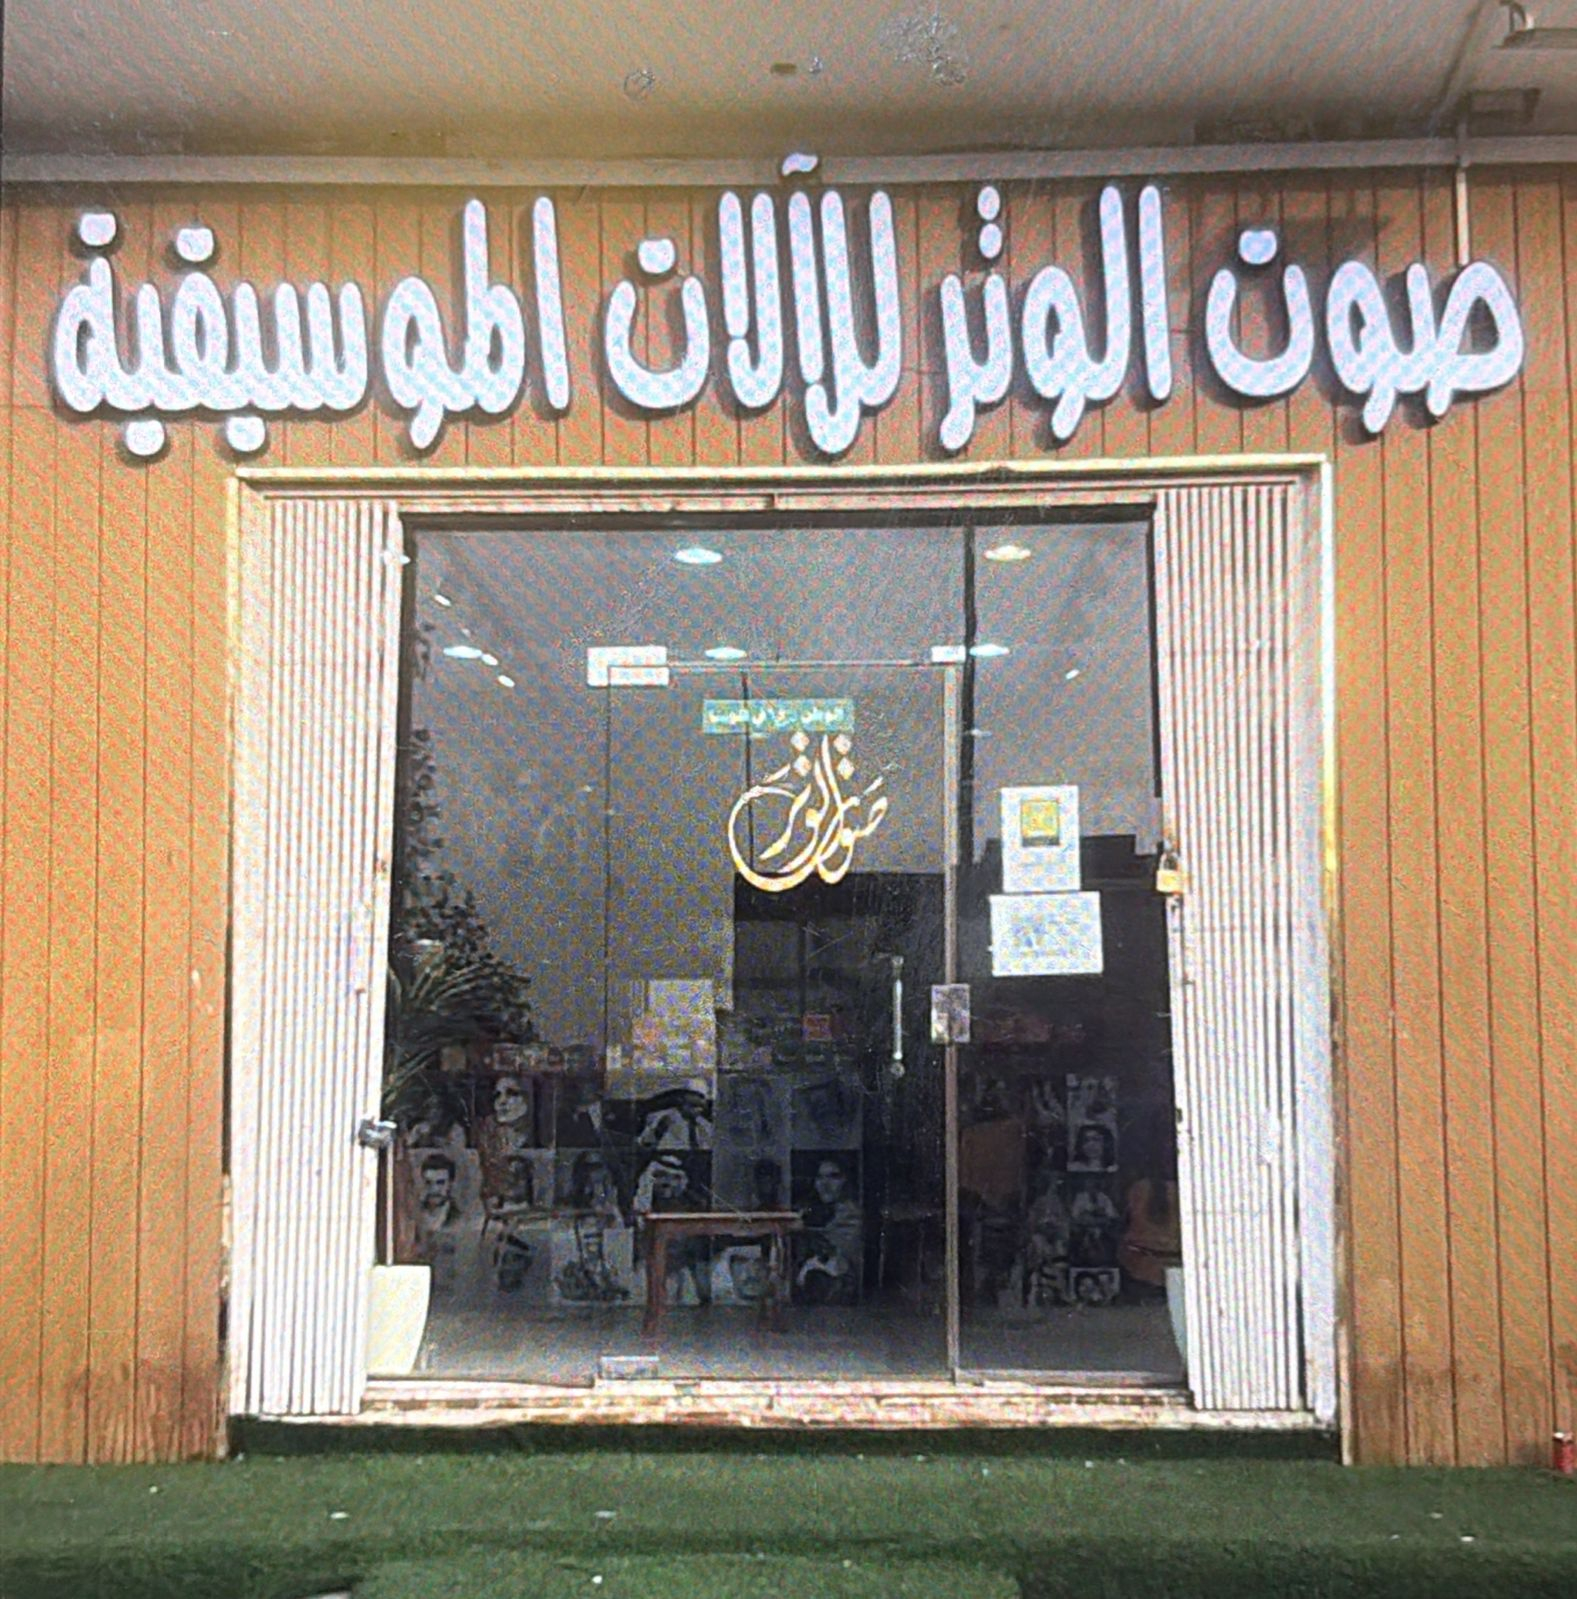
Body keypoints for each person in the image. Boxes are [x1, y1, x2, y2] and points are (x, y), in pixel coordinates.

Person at [796, 1156, 861, 1305]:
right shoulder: (811, 1211)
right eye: (820, 1177)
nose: (825, 1184)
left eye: (834, 1177)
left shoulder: (851, 1214)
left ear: (846, 1180)